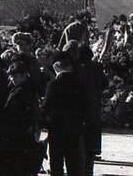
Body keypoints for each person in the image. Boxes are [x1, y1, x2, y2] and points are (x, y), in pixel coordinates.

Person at [42, 52, 85, 176]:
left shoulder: (54, 84)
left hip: (57, 129)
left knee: (56, 165)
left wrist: (43, 123)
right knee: (73, 165)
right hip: (74, 128)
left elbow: (47, 106)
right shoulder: (79, 84)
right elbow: (84, 105)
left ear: (56, 67)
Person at [0, 61, 39, 176]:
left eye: (15, 76)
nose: (12, 79)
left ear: (24, 75)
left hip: (18, 134)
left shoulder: (22, 91)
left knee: (17, 166)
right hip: (22, 134)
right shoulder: (23, 88)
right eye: (11, 76)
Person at [78, 43, 105, 175]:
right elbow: (105, 84)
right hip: (94, 107)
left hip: (81, 108)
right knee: (91, 143)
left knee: (81, 140)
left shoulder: (78, 69)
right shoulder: (97, 67)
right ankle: (89, 170)